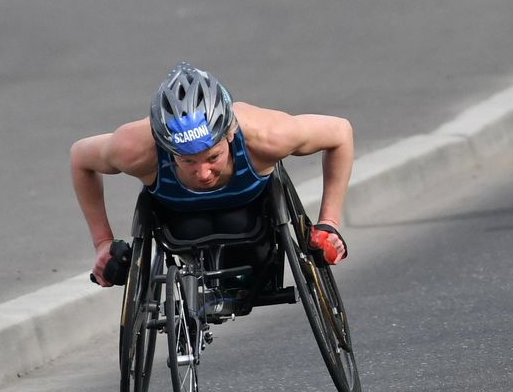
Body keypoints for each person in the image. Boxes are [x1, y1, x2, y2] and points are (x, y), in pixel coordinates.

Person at [71, 62, 354, 289]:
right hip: (178, 223)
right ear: (166, 147)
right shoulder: (133, 148)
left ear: (230, 134)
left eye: (213, 156)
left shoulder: (269, 135)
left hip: (254, 224)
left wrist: (328, 223)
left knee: (245, 237)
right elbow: (80, 158)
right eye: (188, 160)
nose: (204, 173)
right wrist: (103, 243)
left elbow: (340, 133)